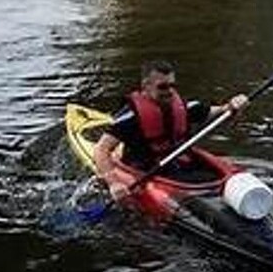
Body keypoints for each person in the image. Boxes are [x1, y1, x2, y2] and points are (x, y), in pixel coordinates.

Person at [92, 60, 248, 201]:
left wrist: (233, 106)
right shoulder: (130, 117)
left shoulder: (183, 107)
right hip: (147, 168)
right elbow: (101, 149)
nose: (169, 91)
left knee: (210, 176)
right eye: (163, 87)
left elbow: (220, 112)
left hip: (179, 164)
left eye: (172, 85)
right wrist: (113, 183)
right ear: (146, 85)